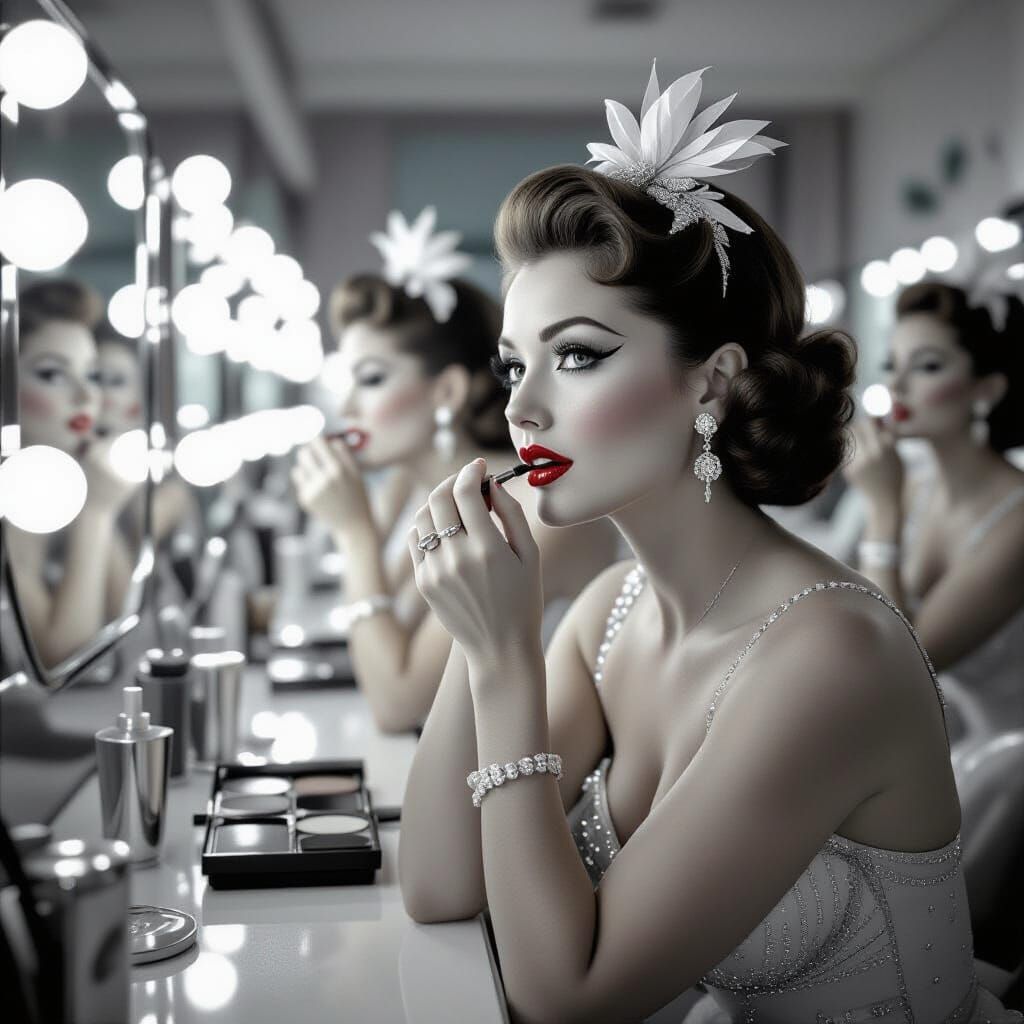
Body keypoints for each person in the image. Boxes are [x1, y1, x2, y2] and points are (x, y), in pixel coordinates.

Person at [398, 66, 1021, 1023]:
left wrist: (502, 659)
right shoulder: (611, 614)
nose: (522, 407)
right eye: (514, 364)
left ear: (712, 385)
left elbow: (568, 999)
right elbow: (439, 883)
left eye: (577, 355)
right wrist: (476, 622)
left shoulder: (831, 655)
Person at [292, 208, 619, 734]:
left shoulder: (529, 506)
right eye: (345, 380)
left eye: (371, 379)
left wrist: (353, 534)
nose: (347, 405)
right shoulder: (410, 485)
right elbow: (389, 634)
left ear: (447, 390)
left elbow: (396, 702)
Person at [845, 283, 1024, 739]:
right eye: (892, 365)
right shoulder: (914, 485)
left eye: (927, 366)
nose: (897, 386)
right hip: (948, 734)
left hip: (1009, 757)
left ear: (986, 389)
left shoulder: (1017, 522)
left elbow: (903, 670)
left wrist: (882, 511)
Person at [9, 280, 139, 668]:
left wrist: (100, 500)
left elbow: (124, 617)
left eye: (92, 374)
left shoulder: (61, 487)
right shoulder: (11, 503)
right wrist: (97, 514)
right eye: (53, 374)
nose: (87, 396)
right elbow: (65, 661)